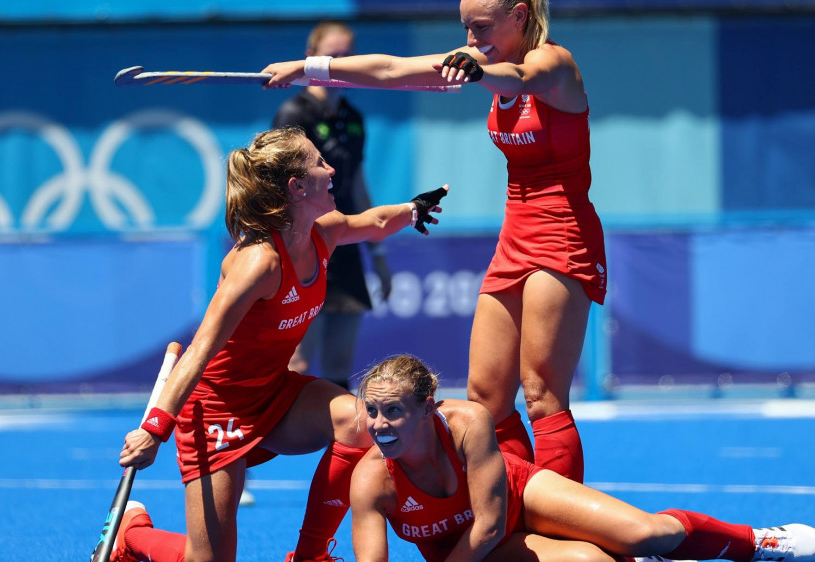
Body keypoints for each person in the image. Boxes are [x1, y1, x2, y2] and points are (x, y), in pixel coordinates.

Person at [262, 0, 605, 482]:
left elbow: (521, 80)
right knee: (486, 398)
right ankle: (519, 509)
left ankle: (568, 525)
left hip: (563, 234)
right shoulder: (481, 61)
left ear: (520, 16)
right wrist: (309, 67)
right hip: (515, 236)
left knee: (542, 394)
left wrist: (478, 72)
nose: (470, 39)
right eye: (465, 28)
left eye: (480, 27)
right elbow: (391, 69)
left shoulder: (553, 63)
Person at [109, 127, 449, 562]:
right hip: (216, 408)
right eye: (319, 163)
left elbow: (377, 222)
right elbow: (200, 351)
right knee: (207, 559)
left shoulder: (322, 233)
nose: (331, 169)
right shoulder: (258, 263)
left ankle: (309, 556)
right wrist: (156, 428)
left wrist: (413, 209)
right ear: (297, 186)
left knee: (359, 423)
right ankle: (133, 535)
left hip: (274, 392)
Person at [350, 355, 815, 562]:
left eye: (393, 412)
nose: (378, 425)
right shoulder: (372, 479)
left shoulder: (467, 423)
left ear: (427, 407)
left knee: (648, 531)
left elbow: (491, 524)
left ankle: (758, 542)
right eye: (371, 412)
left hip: (511, 503)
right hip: (470, 554)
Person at [273, 20, 392, 389]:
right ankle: (276, 441)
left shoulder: (354, 118)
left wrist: (379, 256)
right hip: (306, 246)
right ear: (311, 58)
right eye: (333, 55)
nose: (341, 62)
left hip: (346, 245)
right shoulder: (294, 114)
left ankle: (339, 448)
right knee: (299, 361)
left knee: (342, 367)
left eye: (348, 56)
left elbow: (357, 184)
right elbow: (277, 188)